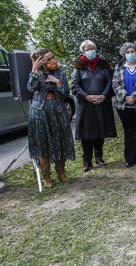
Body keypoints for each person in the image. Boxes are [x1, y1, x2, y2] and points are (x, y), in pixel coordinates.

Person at [27, 48, 75, 188]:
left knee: (59, 140)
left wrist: (58, 82)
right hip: (40, 112)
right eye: (48, 59)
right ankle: (46, 177)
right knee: (43, 144)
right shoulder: (36, 72)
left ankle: (61, 172)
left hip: (57, 109)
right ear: (40, 60)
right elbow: (31, 87)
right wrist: (35, 69)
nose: (52, 60)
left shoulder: (59, 72)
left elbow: (65, 93)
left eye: (52, 57)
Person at [71, 40, 117, 172]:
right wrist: (86, 96)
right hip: (86, 105)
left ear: (96, 49)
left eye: (92, 48)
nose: (90, 51)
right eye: (87, 49)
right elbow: (75, 86)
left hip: (102, 103)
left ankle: (99, 157)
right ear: (83, 51)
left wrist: (103, 95)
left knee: (99, 132)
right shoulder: (78, 67)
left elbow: (110, 82)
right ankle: (87, 161)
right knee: (86, 134)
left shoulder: (104, 65)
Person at [113, 42, 136, 167]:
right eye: (127, 52)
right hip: (123, 106)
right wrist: (125, 96)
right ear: (124, 54)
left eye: (132, 51)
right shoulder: (119, 67)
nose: (130, 54)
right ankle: (130, 159)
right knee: (128, 132)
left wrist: (134, 97)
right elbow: (115, 84)